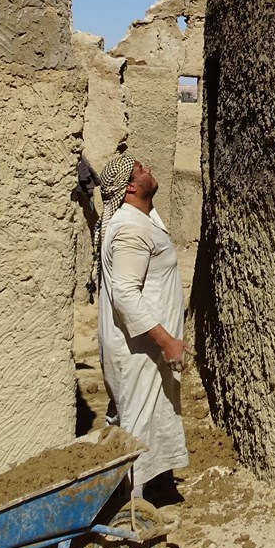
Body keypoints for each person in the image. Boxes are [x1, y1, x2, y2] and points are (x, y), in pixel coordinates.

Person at [96, 151, 189, 498]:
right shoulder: (130, 229)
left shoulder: (141, 218)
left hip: (142, 349)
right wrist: (166, 341)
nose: (149, 168)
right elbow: (125, 295)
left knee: (142, 416)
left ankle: (144, 488)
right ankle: (127, 518)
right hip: (139, 349)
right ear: (130, 187)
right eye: (140, 169)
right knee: (137, 425)